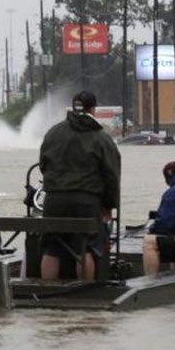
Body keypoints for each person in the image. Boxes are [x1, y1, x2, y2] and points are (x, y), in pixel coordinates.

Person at [38, 91, 121, 281]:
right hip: (86, 200)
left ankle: (46, 289)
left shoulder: (53, 132)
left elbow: (43, 164)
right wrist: (109, 205)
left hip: (54, 200)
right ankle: (83, 292)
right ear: (93, 109)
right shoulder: (101, 137)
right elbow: (111, 175)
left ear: (73, 107)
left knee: (51, 248)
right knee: (86, 248)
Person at [143, 162, 175, 275]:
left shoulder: (173, 193)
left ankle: (150, 284)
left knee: (149, 242)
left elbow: (163, 225)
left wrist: (151, 230)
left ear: (168, 178)